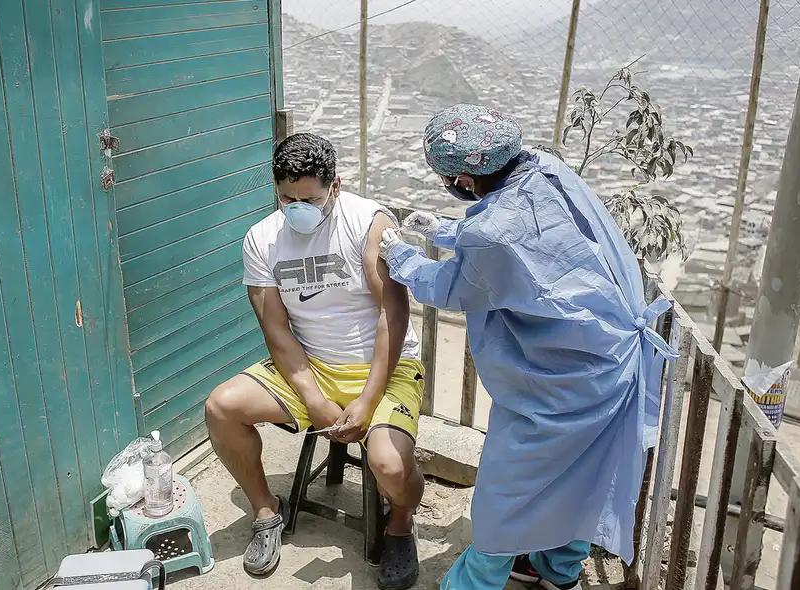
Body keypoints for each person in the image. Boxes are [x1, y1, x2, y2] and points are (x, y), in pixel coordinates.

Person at [377, 104, 678, 590]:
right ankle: (557, 572)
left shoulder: (491, 234)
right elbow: (534, 238)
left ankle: (477, 581)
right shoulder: (546, 169)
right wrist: (449, 230)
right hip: (609, 365)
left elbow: (454, 285)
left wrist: (403, 258)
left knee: (506, 495)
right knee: (579, 481)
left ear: (463, 180)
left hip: (558, 390)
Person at [205, 133, 426, 590]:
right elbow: (276, 329)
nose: (297, 208)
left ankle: (401, 523)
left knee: (389, 467)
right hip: (313, 366)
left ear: (335, 186)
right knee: (221, 407)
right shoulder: (262, 239)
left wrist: (368, 400)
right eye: (287, 199)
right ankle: (266, 511)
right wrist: (314, 400)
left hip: (386, 366)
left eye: (310, 199)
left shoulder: (368, 222)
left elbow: (393, 312)